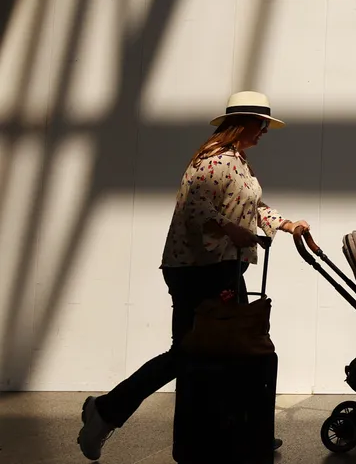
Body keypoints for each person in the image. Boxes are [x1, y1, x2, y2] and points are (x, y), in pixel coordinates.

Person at [77, 91, 318, 461]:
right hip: (199, 270)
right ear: (241, 123)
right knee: (189, 353)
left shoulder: (238, 162)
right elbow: (195, 209)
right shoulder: (214, 162)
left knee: (230, 350)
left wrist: (287, 225)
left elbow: (250, 207)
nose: (264, 132)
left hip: (221, 267)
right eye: (261, 124)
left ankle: (243, 431)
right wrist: (228, 229)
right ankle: (107, 411)